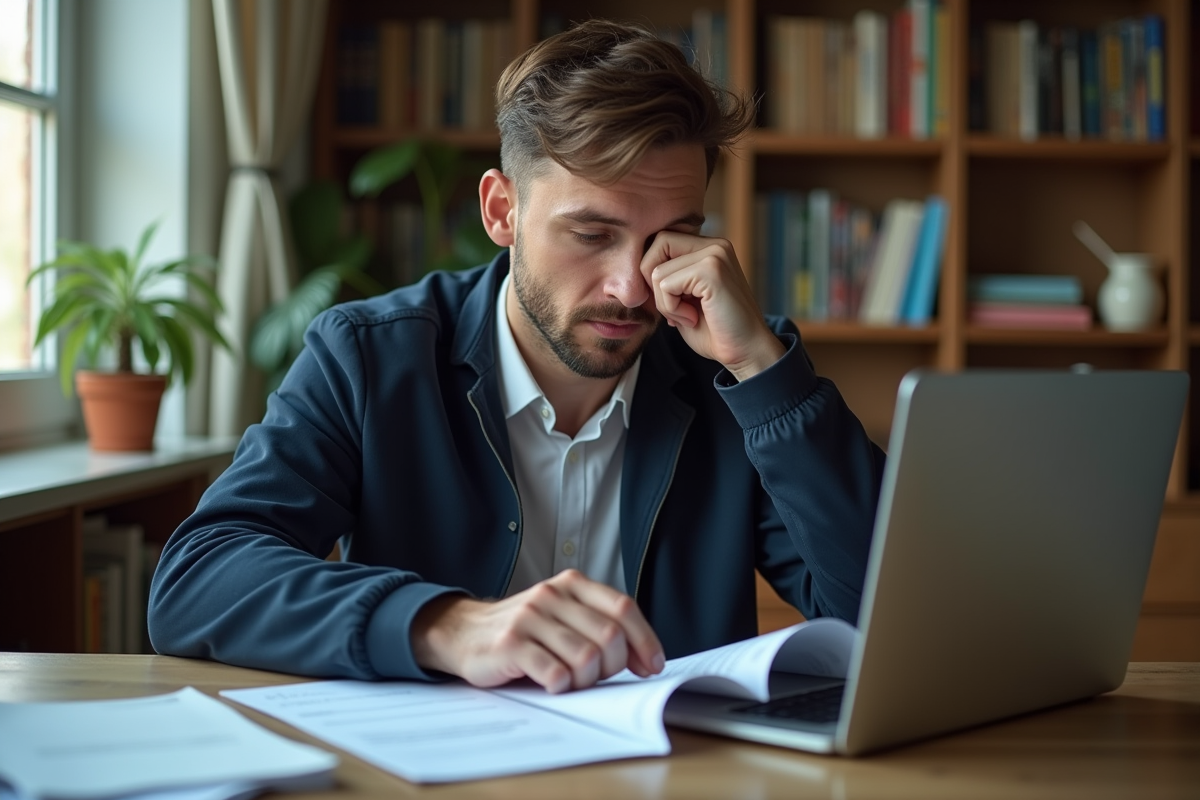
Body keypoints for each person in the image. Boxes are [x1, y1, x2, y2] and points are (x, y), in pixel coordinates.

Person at [148, 19, 886, 693]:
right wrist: (447, 625)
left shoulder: (737, 376)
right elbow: (197, 579)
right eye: (591, 234)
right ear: (502, 210)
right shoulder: (370, 356)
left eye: (671, 237)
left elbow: (879, 617)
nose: (634, 288)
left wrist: (763, 371)